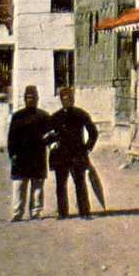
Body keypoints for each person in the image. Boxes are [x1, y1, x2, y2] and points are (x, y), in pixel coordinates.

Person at [48, 85, 100, 219]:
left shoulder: (80, 114)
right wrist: (52, 144)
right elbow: (49, 136)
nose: (68, 101)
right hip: (62, 155)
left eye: (70, 98)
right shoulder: (56, 117)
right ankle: (62, 213)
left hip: (77, 154)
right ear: (61, 100)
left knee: (80, 183)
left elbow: (93, 132)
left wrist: (87, 147)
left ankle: (84, 212)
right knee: (61, 184)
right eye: (65, 99)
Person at [7, 84, 51, 221]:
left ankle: (36, 212)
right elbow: (11, 137)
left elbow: (51, 134)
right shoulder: (18, 116)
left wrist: (49, 140)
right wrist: (12, 153)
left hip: (38, 156)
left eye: (33, 97)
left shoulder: (43, 116)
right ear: (24, 99)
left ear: (37, 99)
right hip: (21, 156)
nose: (30, 100)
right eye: (28, 97)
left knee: (37, 185)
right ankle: (17, 212)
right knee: (19, 185)